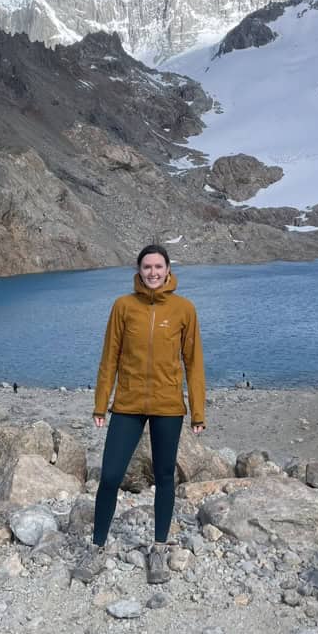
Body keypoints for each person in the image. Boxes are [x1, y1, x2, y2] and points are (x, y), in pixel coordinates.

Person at [73, 244, 205, 586]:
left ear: (168, 269)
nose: (153, 273)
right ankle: (98, 548)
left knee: (164, 477)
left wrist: (197, 411)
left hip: (168, 406)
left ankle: (159, 547)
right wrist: (101, 404)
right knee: (110, 476)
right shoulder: (122, 307)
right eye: (147, 267)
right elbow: (109, 359)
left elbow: (194, 363)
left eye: (158, 267)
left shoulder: (184, 309)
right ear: (139, 270)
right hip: (128, 405)